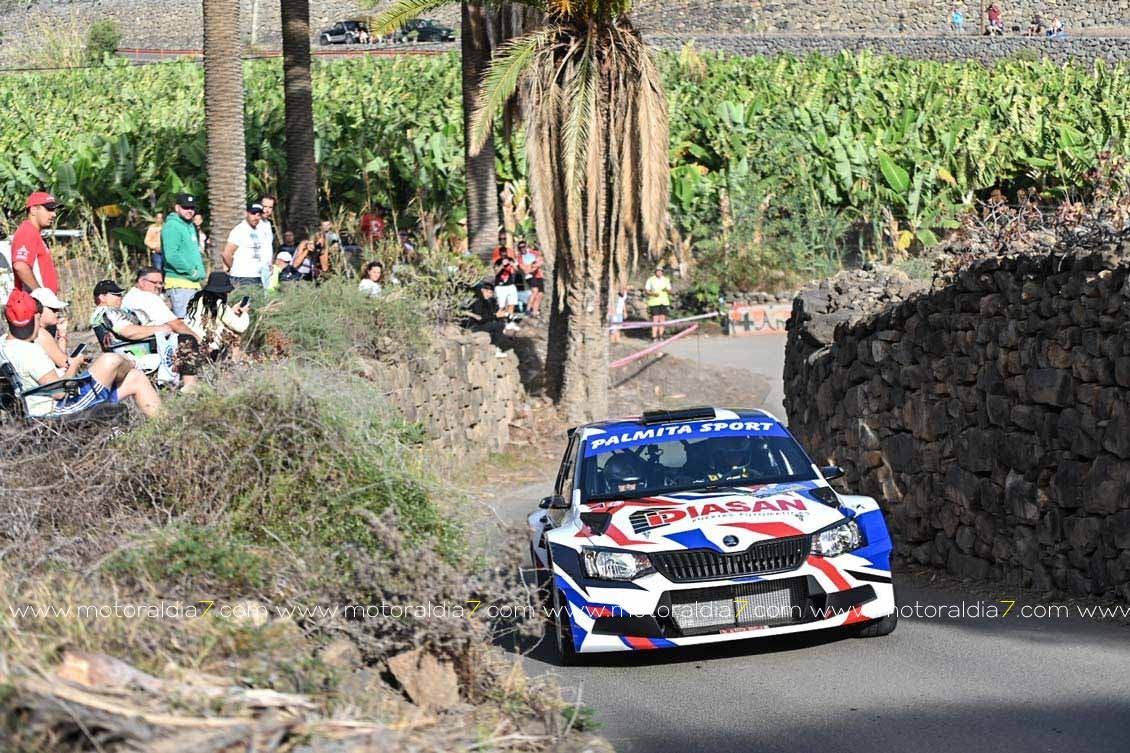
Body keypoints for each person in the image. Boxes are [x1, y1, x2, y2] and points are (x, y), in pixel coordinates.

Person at [0, 289, 161, 419]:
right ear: (35, 317)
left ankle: (161, 423)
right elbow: (59, 392)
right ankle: (136, 361)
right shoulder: (30, 352)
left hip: (40, 407)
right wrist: (75, 365)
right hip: (59, 409)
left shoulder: (4, 345)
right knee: (109, 360)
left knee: (135, 377)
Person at [91, 279, 200, 390]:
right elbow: (129, 332)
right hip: (134, 351)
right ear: (102, 297)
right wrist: (159, 329)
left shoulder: (100, 315)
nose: (120, 297)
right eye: (115, 294)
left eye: (120, 294)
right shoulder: (108, 312)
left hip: (125, 350)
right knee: (186, 341)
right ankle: (189, 387)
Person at [185, 272, 250, 359]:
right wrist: (244, 312)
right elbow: (240, 326)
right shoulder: (219, 304)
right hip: (209, 349)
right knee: (235, 336)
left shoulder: (197, 299)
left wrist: (231, 310)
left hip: (189, 343)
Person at [161, 193, 206, 318]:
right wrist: (190, 271)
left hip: (191, 283)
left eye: (192, 208)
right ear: (177, 208)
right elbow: (171, 255)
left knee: (195, 322)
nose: (189, 211)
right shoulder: (172, 227)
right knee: (185, 324)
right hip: (179, 283)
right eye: (185, 207)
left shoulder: (190, 226)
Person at [10, 191, 62, 294]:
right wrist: (41, 295)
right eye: (49, 209)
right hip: (33, 305)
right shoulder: (27, 232)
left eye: (54, 210)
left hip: (39, 304)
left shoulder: (34, 233)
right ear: (33, 210)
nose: (54, 214)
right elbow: (20, 265)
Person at [222, 203, 267, 288]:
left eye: (259, 215)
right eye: (253, 214)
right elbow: (227, 254)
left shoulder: (259, 231)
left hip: (257, 276)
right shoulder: (239, 230)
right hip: (241, 277)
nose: (256, 218)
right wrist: (235, 267)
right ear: (247, 213)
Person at [461, 282, 516, 347]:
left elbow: (490, 314)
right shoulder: (477, 301)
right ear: (482, 290)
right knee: (499, 326)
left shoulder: (488, 301)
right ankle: (494, 347)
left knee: (500, 323)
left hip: (481, 323)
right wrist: (495, 316)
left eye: (491, 293)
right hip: (474, 326)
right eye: (488, 292)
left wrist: (503, 315)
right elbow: (480, 318)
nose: (489, 295)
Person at [517, 240, 544, 318]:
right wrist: (534, 265)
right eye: (520, 247)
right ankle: (528, 309)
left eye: (523, 246)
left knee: (540, 294)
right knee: (534, 291)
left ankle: (535, 312)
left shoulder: (534, 253)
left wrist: (530, 266)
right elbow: (526, 270)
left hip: (539, 275)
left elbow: (541, 262)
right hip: (530, 276)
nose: (522, 248)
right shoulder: (520, 257)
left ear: (526, 246)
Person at [644, 266, 671, 340]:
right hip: (654, 302)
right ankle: (654, 336)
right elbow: (646, 291)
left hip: (664, 302)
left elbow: (669, 290)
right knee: (655, 319)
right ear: (655, 272)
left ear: (662, 272)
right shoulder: (650, 279)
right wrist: (653, 294)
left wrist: (667, 290)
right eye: (657, 271)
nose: (659, 272)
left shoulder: (666, 279)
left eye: (660, 271)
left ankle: (661, 335)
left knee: (662, 319)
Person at [256, 195, 277, 288]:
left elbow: (268, 246)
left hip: (266, 267)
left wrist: (271, 263)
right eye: (264, 206)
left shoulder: (268, 224)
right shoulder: (254, 223)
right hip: (255, 268)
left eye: (270, 207)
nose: (267, 210)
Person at [493, 255, 520, 321]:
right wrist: (502, 265)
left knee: (511, 303)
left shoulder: (510, 261)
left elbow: (517, 271)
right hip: (500, 287)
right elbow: (496, 272)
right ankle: (498, 319)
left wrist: (512, 264)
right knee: (501, 306)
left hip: (510, 285)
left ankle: (510, 321)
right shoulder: (498, 262)